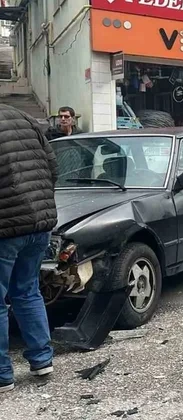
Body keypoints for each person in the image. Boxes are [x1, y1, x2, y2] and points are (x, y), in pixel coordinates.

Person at [0, 104, 58, 393]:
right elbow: (52, 166)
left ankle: (2, 375)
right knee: (27, 290)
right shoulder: (22, 116)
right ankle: (41, 360)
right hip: (39, 222)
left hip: (5, 227)